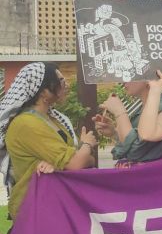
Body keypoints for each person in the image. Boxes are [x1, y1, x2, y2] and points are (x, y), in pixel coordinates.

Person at [0, 63, 96, 220]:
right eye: (60, 81)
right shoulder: (26, 124)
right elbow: (76, 163)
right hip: (36, 210)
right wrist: (87, 144)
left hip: (57, 204)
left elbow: (88, 161)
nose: (66, 85)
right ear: (43, 91)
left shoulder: (54, 119)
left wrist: (79, 158)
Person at [95, 80, 162, 167]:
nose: (123, 81)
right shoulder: (141, 109)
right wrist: (114, 133)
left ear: (148, 78)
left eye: (130, 76)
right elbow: (132, 145)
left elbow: (135, 153)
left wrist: (120, 112)